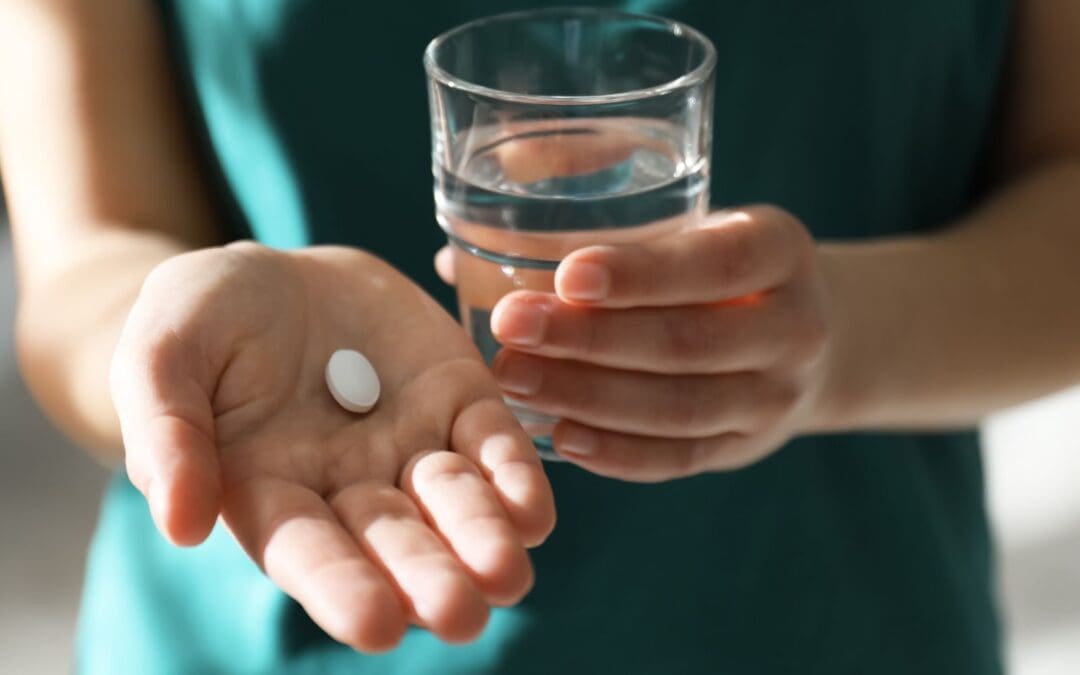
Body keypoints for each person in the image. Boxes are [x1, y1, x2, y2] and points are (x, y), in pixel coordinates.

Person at [1, 0, 1078, 672]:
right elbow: (85, 251)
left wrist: (837, 340)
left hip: (824, 625)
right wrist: (170, 360)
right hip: (274, 611)